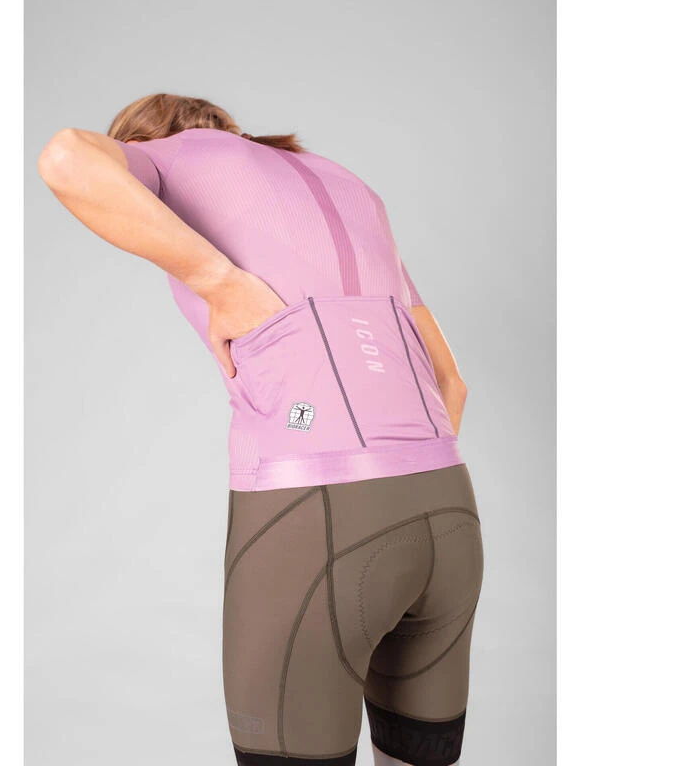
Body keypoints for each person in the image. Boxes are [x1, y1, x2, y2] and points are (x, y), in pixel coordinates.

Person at [38, 93, 483, 766]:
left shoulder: (168, 158)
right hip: (448, 513)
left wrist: (216, 280)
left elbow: (67, 157)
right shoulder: (349, 185)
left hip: (317, 520)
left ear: (143, 140)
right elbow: (452, 384)